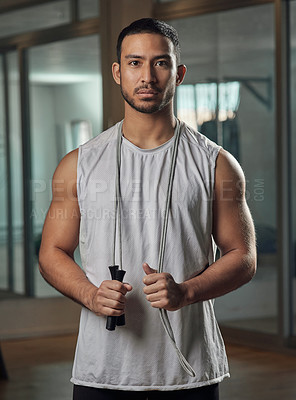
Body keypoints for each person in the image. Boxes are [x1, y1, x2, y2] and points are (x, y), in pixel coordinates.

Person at [39, 18, 256, 400]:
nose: (148, 76)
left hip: (188, 372)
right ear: (117, 72)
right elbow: (52, 252)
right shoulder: (79, 163)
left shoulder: (215, 163)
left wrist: (185, 292)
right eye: (135, 63)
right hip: (102, 372)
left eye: (160, 63)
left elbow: (243, 256)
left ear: (179, 72)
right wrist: (91, 295)